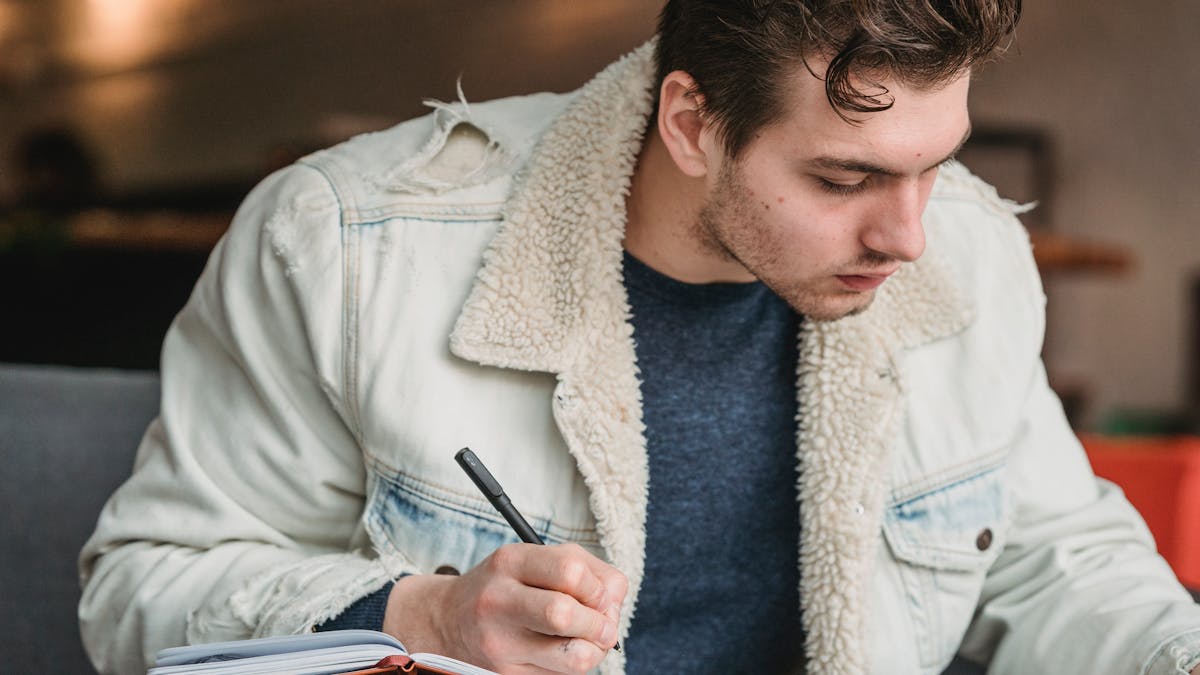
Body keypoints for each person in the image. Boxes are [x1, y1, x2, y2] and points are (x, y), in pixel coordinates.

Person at [79, 1, 1200, 674]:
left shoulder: (966, 251)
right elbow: (140, 597)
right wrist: (424, 616)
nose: (910, 233)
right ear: (693, 123)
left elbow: (1060, 564)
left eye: (938, 162)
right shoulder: (344, 248)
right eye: (846, 176)